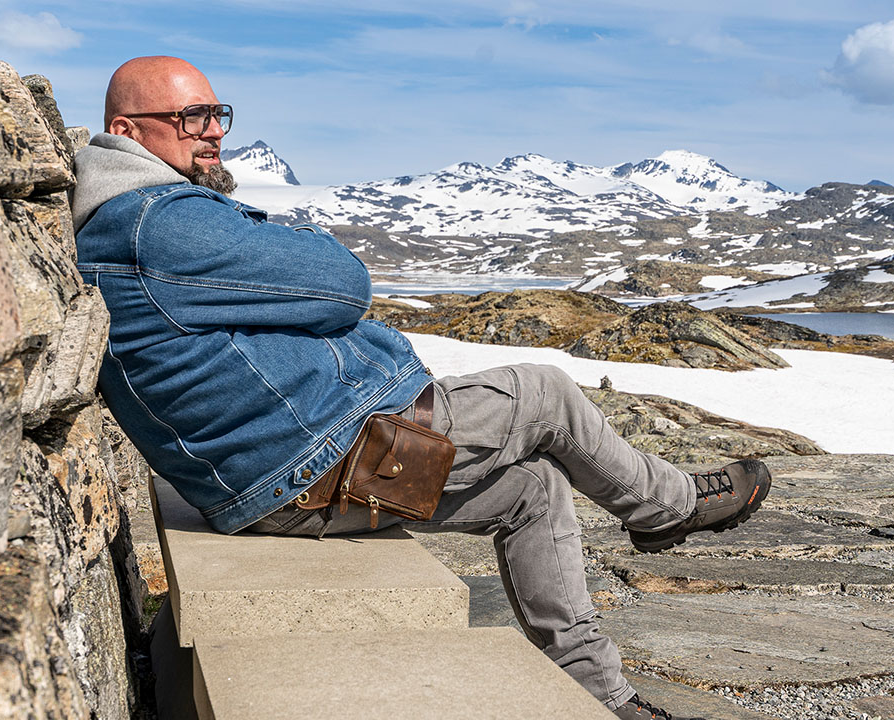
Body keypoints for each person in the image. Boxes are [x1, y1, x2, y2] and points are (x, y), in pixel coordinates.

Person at [72, 56, 771, 720]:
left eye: (218, 114)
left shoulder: (135, 222)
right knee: (545, 393)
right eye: (192, 117)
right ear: (127, 132)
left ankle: (599, 695)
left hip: (280, 482)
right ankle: (668, 507)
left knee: (533, 489)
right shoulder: (158, 220)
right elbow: (343, 284)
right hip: (317, 464)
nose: (216, 131)